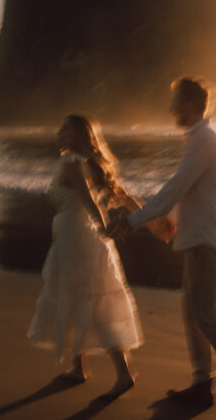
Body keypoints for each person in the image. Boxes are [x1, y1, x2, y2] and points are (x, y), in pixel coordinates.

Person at [109, 77, 216, 417]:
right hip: (203, 237)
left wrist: (132, 220)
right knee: (195, 314)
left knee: (208, 317)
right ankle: (202, 384)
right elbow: (190, 190)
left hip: (207, 240)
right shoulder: (207, 138)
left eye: (174, 102)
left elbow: (176, 186)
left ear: (187, 105)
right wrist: (170, 220)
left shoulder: (205, 139)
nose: (170, 109)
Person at [28, 113, 161, 400]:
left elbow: (89, 201)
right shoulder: (94, 165)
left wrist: (106, 227)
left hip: (76, 236)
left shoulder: (70, 162)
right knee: (86, 297)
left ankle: (121, 373)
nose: (59, 131)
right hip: (85, 237)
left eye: (65, 128)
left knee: (84, 298)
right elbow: (125, 198)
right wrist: (152, 221)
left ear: (76, 135)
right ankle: (81, 368)